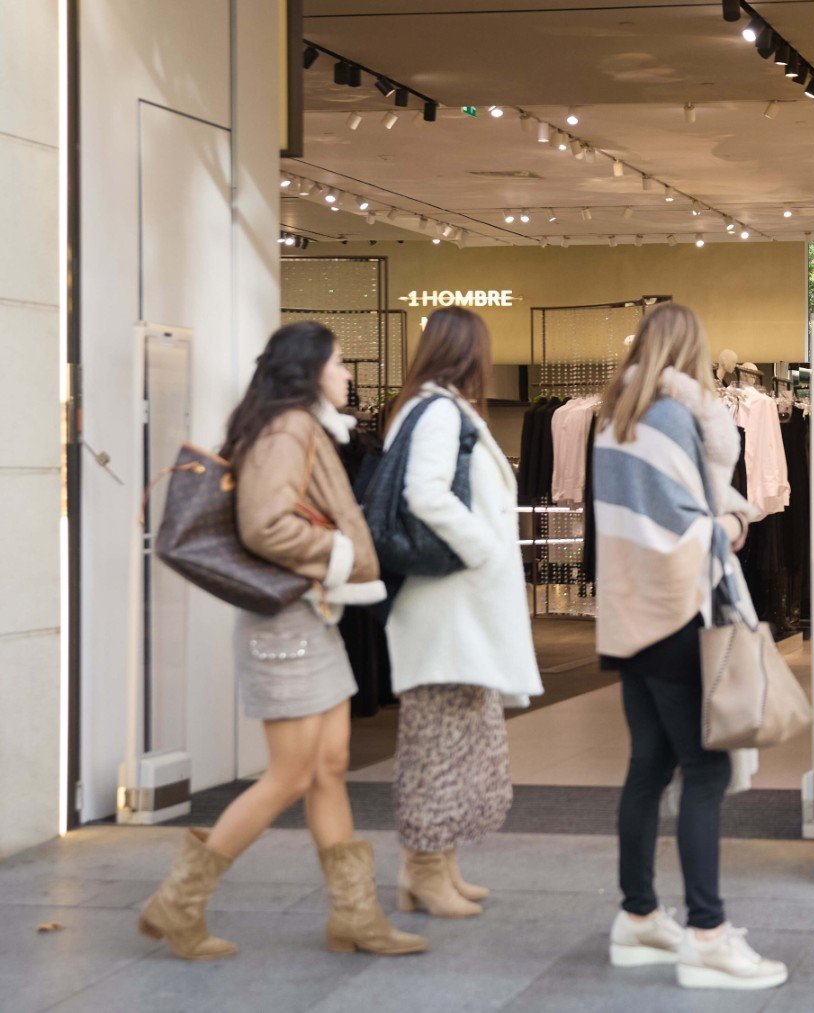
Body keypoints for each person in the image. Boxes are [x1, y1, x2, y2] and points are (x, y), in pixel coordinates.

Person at [138, 322, 426, 959]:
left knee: (326, 767)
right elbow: (265, 524)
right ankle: (177, 903)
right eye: (340, 362)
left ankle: (356, 917)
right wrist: (341, 552)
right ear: (309, 369)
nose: (348, 373)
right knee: (293, 773)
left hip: (307, 617)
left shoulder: (293, 425)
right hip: (287, 621)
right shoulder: (289, 428)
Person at [591, 303, 788, 991]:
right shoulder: (675, 416)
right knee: (704, 773)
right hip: (677, 613)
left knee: (648, 764)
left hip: (630, 616)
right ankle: (706, 933)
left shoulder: (615, 418)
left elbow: (641, 516)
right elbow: (694, 521)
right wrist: (731, 520)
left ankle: (639, 914)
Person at [383, 306, 543, 917]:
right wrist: (485, 547)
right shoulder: (440, 412)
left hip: (453, 608)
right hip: (445, 606)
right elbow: (424, 493)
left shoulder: (433, 408)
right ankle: (425, 868)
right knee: (437, 744)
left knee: (455, 740)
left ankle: (436, 864)